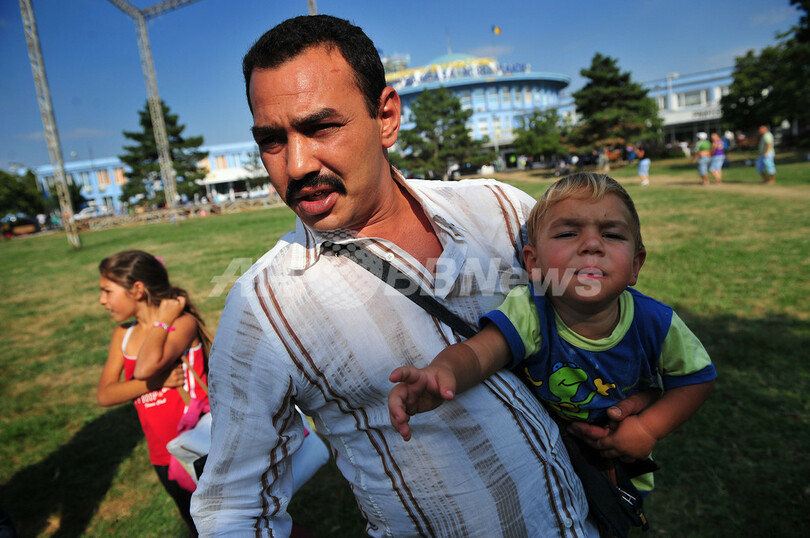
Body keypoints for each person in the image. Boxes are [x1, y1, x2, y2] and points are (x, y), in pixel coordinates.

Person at [190, 14, 656, 537]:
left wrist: (632, 391)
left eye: (320, 127)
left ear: (386, 116)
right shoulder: (264, 308)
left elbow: (602, 317)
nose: (296, 164)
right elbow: (234, 511)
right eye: (272, 140)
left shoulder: (500, 210)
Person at [389, 173, 716, 499]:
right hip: (547, 472)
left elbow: (695, 378)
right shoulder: (531, 310)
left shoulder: (656, 323)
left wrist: (648, 428)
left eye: (612, 234)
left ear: (635, 264)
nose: (591, 245)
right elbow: (479, 353)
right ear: (534, 263)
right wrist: (442, 373)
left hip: (619, 477)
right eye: (568, 233)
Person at [97, 250, 211, 536]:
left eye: (107, 291)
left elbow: (147, 366)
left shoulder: (181, 323)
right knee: (195, 524)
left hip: (205, 445)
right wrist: (154, 385)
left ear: (137, 290)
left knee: (235, 520)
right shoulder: (122, 335)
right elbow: (105, 395)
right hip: (163, 454)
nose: (102, 301)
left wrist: (162, 322)